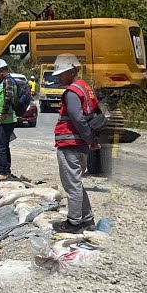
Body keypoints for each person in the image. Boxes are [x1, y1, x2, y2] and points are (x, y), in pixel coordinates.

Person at [51, 54, 101, 232]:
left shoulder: (72, 92)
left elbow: (78, 119)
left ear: (72, 71)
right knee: (77, 183)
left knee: (71, 185)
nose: (58, 77)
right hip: (80, 144)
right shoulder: (85, 88)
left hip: (70, 144)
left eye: (61, 74)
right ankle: (87, 220)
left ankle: (73, 223)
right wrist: (91, 140)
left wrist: (90, 140)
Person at [0, 58, 20, 177]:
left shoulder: (8, 81)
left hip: (5, 120)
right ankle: (4, 170)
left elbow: (9, 98)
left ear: (1, 71)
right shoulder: (5, 82)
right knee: (3, 146)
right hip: (4, 119)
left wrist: (4, 113)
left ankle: (3, 171)